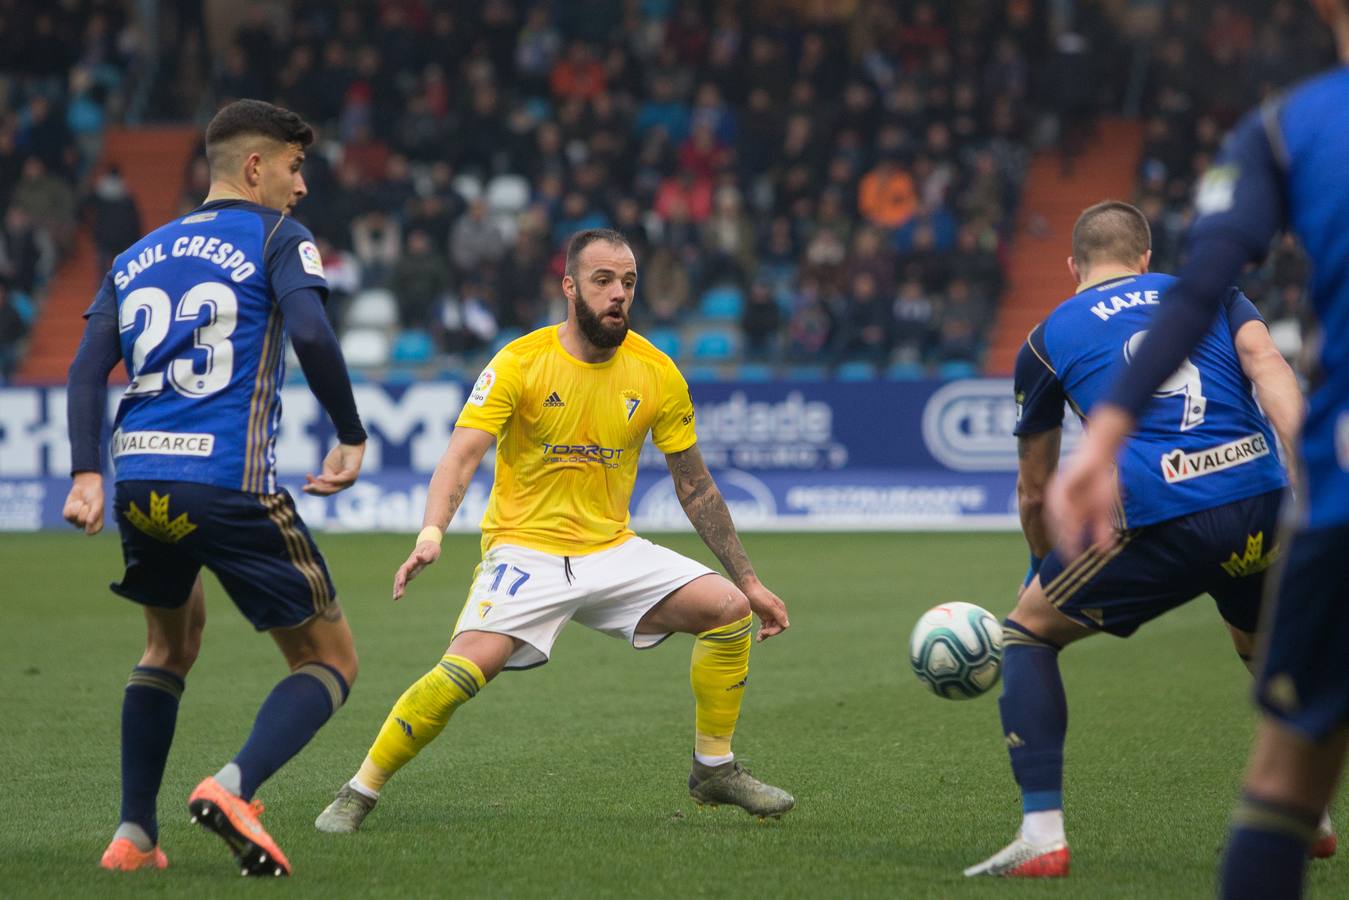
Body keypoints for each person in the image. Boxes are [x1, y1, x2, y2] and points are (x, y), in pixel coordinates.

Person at [314, 228, 795, 833]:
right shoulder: (520, 361)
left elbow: (694, 485)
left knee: (728, 610)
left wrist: (748, 580)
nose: (618, 294)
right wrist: (431, 534)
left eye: (628, 283)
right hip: (526, 550)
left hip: (613, 549)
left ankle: (714, 769)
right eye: (603, 281)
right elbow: (460, 457)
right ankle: (360, 790)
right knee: (464, 670)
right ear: (569, 287)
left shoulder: (657, 372)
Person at [1049, 6, 1349, 895]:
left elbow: (1201, 287)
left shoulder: (1283, 128)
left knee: (1286, 775)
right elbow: (1250, 349)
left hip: (1334, 491)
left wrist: (1103, 434)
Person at [63, 99, 368, 877]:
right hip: (225, 480)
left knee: (170, 641)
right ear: (256, 167)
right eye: (295, 168)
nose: (302, 188)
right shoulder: (279, 237)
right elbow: (308, 333)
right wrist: (351, 433)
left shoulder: (135, 255)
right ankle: (233, 788)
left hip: (140, 478)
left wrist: (86, 471)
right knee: (329, 662)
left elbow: (85, 367)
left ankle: (133, 836)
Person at [964, 201, 1309, 878]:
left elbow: (1034, 489)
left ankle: (1041, 836)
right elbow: (1269, 369)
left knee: (1027, 634)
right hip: (1258, 500)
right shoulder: (1213, 295)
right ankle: (1305, 813)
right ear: (1146, 257)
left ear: (1072, 267)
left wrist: (1040, 568)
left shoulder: (1044, 338)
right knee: (1257, 643)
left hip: (1156, 514)